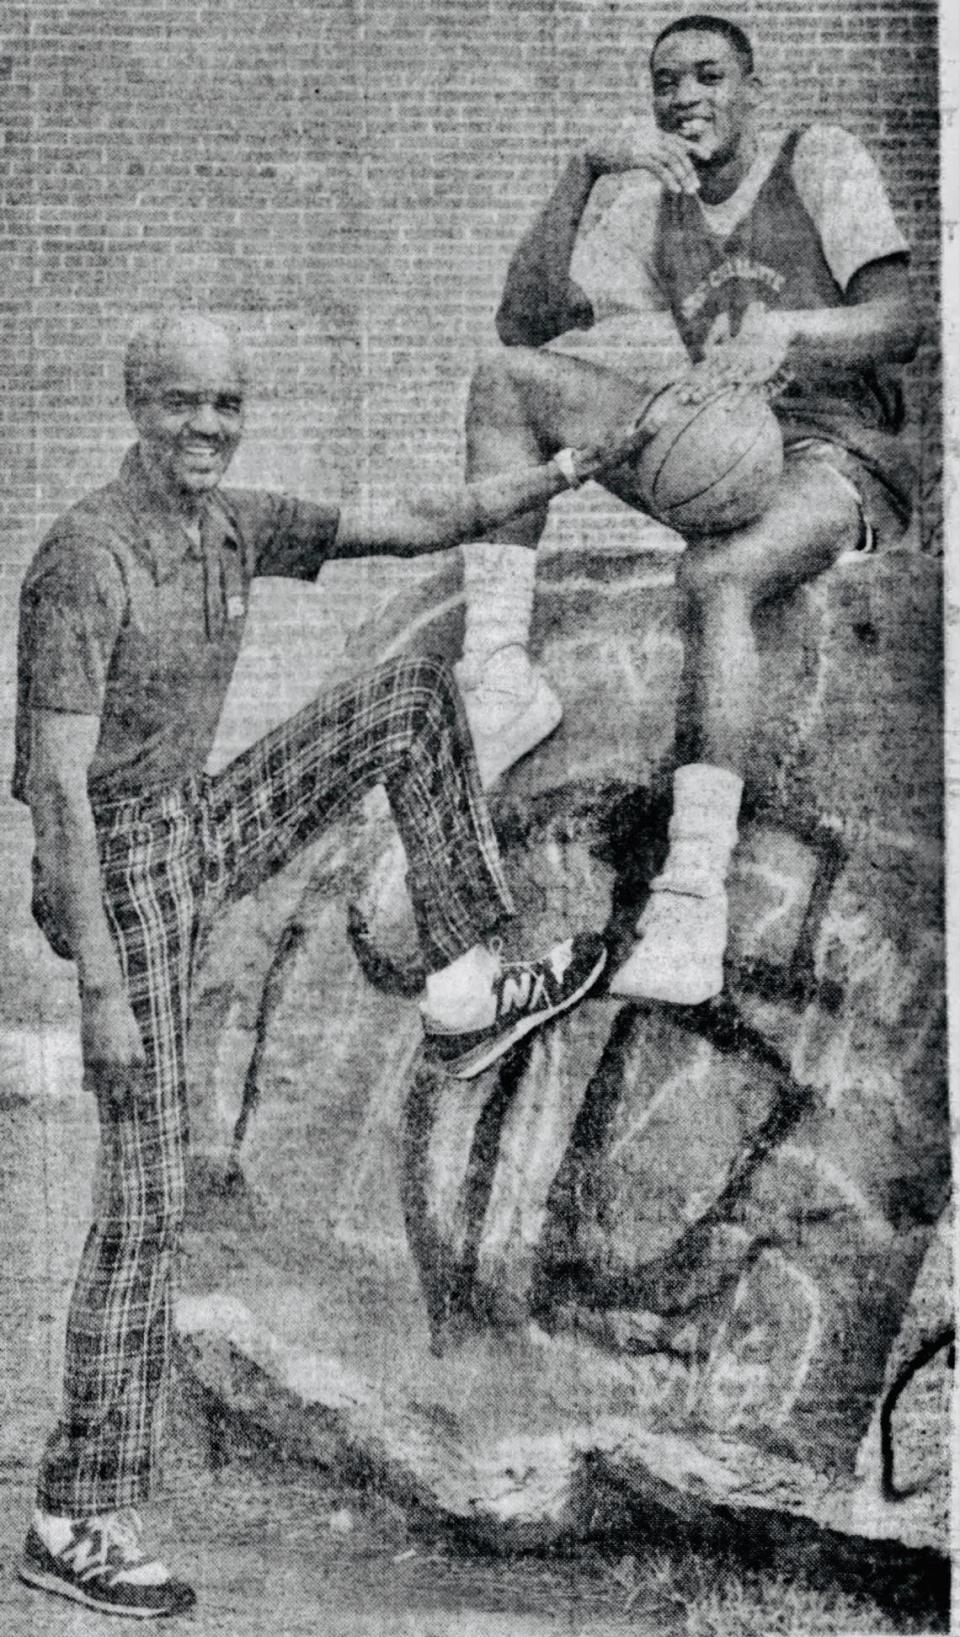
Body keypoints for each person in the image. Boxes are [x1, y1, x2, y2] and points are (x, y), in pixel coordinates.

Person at [13, 309, 664, 1617]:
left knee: (414, 701)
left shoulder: (235, 523)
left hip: (197, 821)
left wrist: (552, 479)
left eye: (225, 407)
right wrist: (98, 991)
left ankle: (464, 982)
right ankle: (73, 1512)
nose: (206, 427)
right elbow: (56, 792)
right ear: (138, 405)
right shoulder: (86, 555)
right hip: (117, 867)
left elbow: (411, 521)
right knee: (145, 1200)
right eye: (183, 404)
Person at [457, 12, 919, 1005]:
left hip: (840, 450)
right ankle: (499, 678)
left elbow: (902, 321)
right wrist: (583, 171)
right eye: (667, 83)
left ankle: (691, 899)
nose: (686, 97)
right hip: (728, 441)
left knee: (716, 573)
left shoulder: (818, 157)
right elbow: (523, 321)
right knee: (506, 381)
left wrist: (787, 330)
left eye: (709, 76)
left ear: (752, 89)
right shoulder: (653, 205)